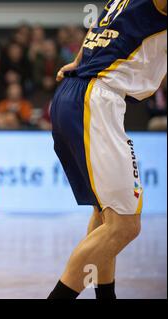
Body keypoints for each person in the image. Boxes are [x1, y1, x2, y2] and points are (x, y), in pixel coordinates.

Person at [48, 0, 167, 299]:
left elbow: (98, 27)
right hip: (96, 97)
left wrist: (79, 60)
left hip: (78, 93)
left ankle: (105, 296)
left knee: (107, 214)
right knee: (125, 225)